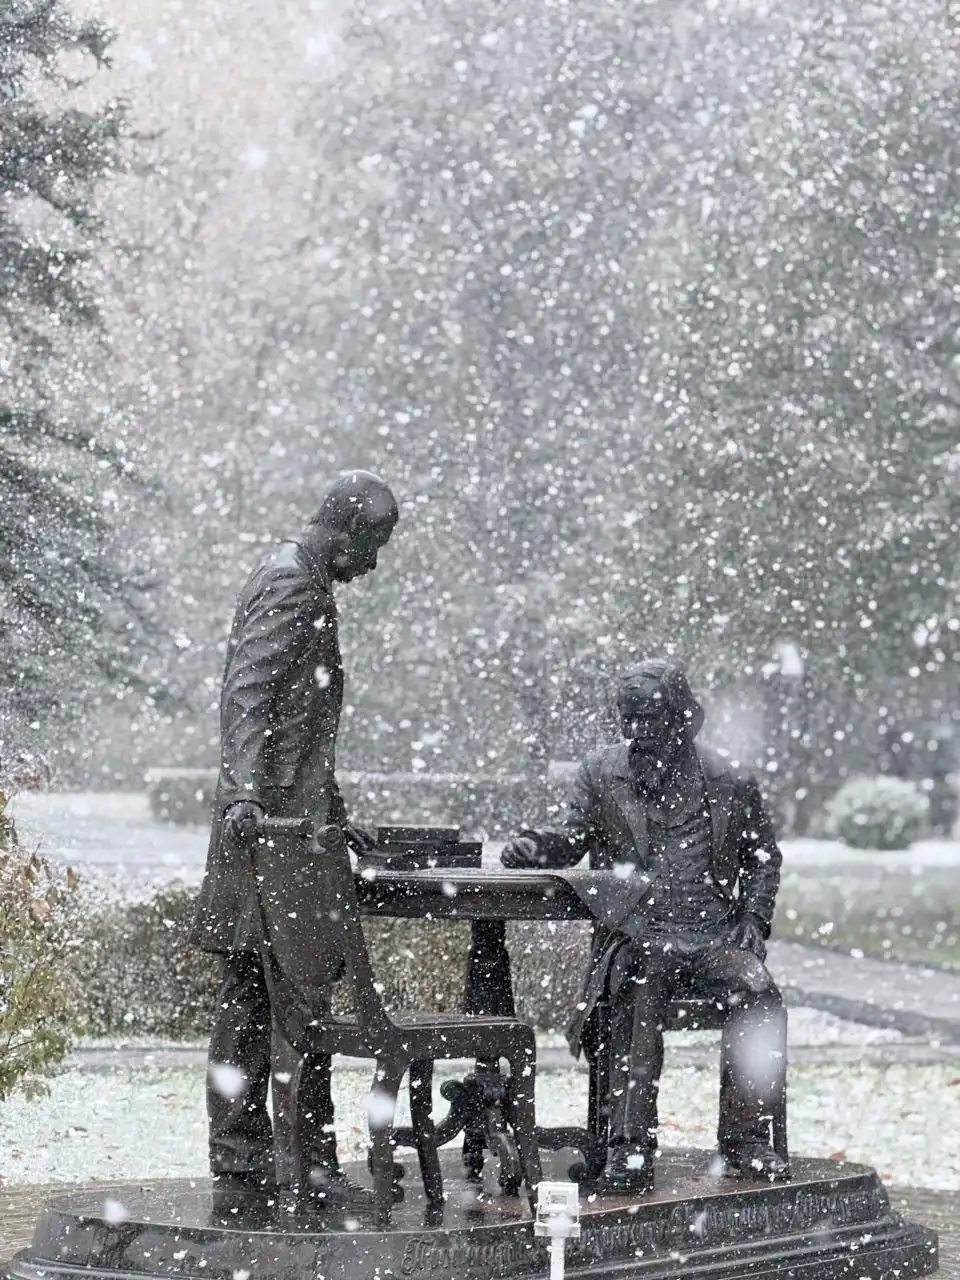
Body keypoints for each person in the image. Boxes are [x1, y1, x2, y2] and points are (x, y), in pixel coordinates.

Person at [191, 470, 398, 1215]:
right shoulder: (293, 584)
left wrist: (334, 808)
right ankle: (284, 1161)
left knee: (261, 997)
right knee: (283, 998)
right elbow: (250, 693)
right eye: (373, 544)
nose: (373, 563)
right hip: (270, 839)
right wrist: (247, 793)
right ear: (344, 529)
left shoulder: (297, 575)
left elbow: (301, 731)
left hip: (283, 825)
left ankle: (261, 1158)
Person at [501, 659, 789, 1194]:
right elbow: (572, 838)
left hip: (712, 936)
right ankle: (629, 1144)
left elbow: (763, 858)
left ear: (685, 719)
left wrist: (753, 919)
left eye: (650, 720)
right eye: (628, 720)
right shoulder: (601, 773)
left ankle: (747, 1139)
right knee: (639, 984)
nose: (637, 732)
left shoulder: (728, 779)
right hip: (640, 934)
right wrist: (535, 846)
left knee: (758, 992)